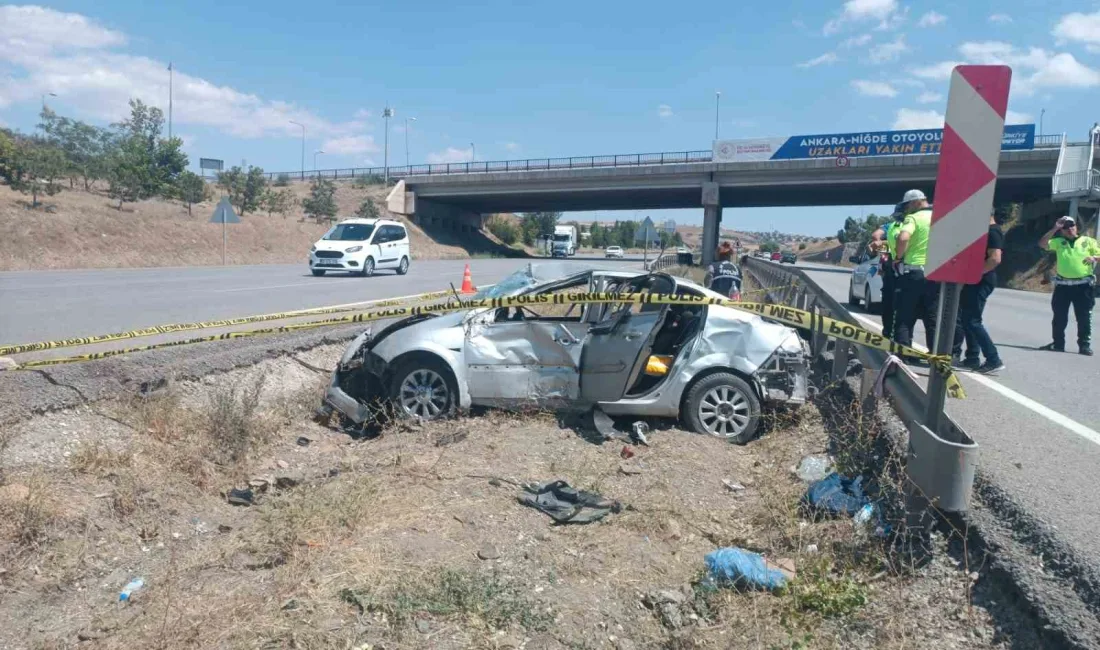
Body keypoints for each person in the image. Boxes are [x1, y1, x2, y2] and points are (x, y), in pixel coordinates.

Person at [952, 207, 1005, 373]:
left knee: (973, 321)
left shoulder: (993, 232)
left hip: (982, 280)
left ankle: (993, 359)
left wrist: (974, 274)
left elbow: (995, 259)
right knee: (968, 319)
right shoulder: (987, 231)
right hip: (977, 280)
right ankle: (972, 357)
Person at [1039, 216, 1100, 355]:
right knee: (1059, 317)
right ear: (1062, 231)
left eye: (1072, 225)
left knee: (1084, 317)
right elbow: (1042, 244)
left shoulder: (1088, 241)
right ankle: (1058, 343)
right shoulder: (1059, 242)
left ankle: (1084, 345)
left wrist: (1094, 258)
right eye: (1065, 227)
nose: (1069, 229)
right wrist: (1055, 228)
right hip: (1063, 286)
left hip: (1083, 286)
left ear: (1076, 226)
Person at [892, 189, 938, 354]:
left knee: (905, 316)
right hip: (935, 273)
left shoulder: (913, 218)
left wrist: (898, 257)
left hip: (914, 273)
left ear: (915, 202)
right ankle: (935, 356)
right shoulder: (940, 217)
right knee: (932, 317)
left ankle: (903, 355)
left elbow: (903, 238)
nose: (906, 210)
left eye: (907, 206)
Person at [867, 202, 906, 339]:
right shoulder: (893, 226)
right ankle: (895, 336)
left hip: (896, 270)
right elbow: (875, 237)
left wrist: (879, 243)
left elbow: (876, 237)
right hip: (901, 270)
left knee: (891, 305)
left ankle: (890, 335)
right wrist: (878, 244)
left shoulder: (895, 227)